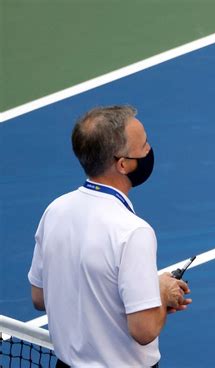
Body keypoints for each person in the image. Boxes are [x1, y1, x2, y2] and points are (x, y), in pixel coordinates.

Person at [28, 105, 191, 367]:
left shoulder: (55, 210)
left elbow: (39, 298)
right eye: (144, 145)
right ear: (123, 164)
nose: (150, 150)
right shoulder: (133, 231)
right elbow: (144, 329)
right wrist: (160, 293)